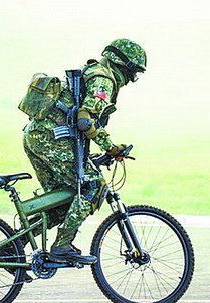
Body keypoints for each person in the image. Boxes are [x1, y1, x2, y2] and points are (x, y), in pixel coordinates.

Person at [23, 38, 147, 265]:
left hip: (37, 137)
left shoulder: (93, 71)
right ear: (124, 66)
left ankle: (12, 245)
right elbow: (84, 121)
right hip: (52, 139)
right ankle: (61, 247)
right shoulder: (104, 80)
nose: (131, 80)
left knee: (62, 200)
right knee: (93, 187)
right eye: (134, 73)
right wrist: (110, 147)